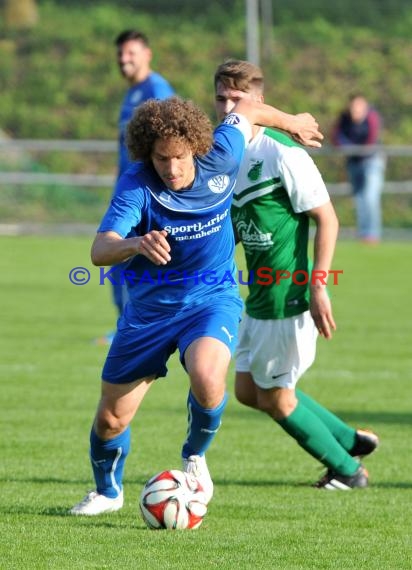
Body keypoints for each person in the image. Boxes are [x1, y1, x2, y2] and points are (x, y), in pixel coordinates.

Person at [70, 95, 323, 515]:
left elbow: (247, 108)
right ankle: (107, 492)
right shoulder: (138, 184)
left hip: (211, 299)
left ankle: (194, 457)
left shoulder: (221, 155)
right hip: (150, 312)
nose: (171, 169)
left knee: (208, 377)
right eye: (160, 159)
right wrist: (136, 242)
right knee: (111, 420)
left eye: (179, 157)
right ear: (147, 154)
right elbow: (100, 249)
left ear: (197, 148)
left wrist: (292, 120)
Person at [213, 60, 379, 490]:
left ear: (260, 103)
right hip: (259, 298)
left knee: (278, 398)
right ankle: (347, 439)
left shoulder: (283, 154)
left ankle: (347, 470)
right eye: (222, 98)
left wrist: (319, 287)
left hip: (288, 297)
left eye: (238, 98)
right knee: (250, 392)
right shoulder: (228, 155)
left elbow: (328, 219)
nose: (229, 107)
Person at [96, 29, 175, 345]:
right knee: (119, 264)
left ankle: (139, 330)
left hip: (146, 197)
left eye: (131, 53)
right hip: (127, 194)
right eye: (120, 54)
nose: (124, 59)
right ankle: (128, 328)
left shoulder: (157, 90)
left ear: (147, 54)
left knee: (131, 264)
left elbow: (171, 144)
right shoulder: (132, 94)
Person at [331, 93, 386, 243]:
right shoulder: (344, 118)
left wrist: (357, 150)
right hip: (353, 162)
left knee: (370, 197)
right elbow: (336, 137)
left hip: (372, 161)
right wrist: (349, 149)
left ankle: (372, 234)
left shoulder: (372, 118)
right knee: (360, 199)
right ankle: (363, 234)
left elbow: (371, 141)